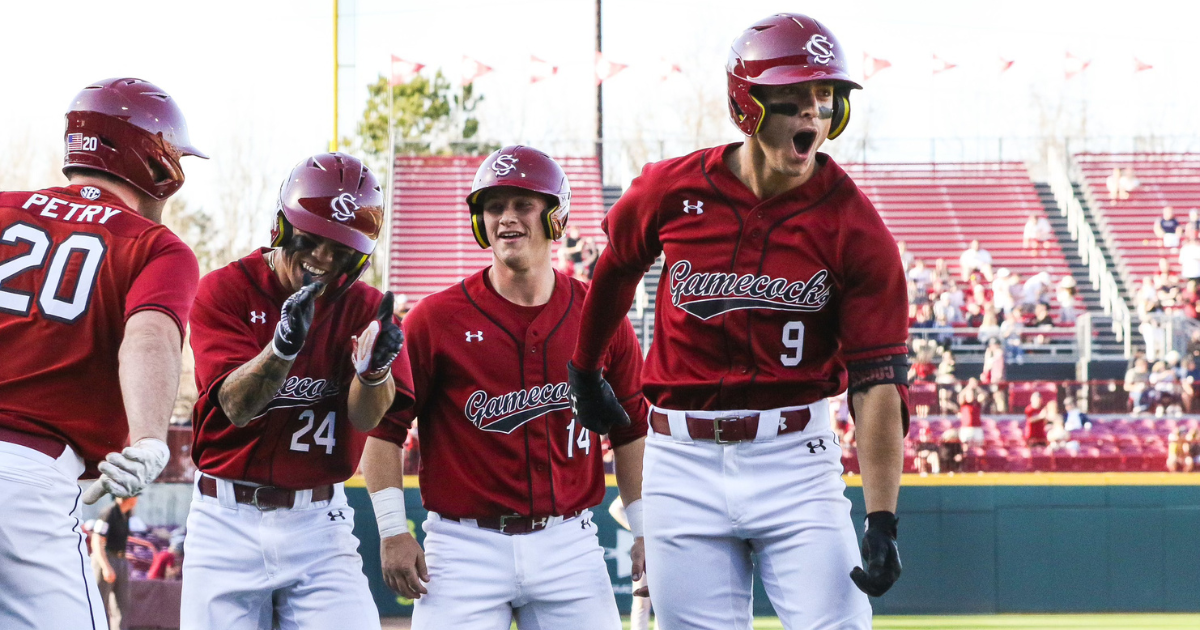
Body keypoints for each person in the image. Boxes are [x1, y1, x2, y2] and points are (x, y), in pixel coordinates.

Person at [568, 14, 905, 628]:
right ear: (747, 106)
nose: (813, 115)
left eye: (824, 98)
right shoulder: (670, 189)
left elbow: (878, 379)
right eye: (794, 99)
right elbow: (616, 269)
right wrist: (585, 369)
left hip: (797, 458)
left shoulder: (856, 226)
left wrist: (882, 516)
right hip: (678, 457)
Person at [360, 147, 648, 630]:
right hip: (462, 548)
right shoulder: (435, 319)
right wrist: (391, 530)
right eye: (494, 207)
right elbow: (383, 430)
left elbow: (632, 428)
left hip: (568, 544)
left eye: (522, 204)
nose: (506, 218)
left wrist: (644, 531)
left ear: (555, 217)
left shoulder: (599, 314)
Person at [0, 78, 204, 630]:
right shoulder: (156, 246)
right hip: (28, 478)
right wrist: (148, 439)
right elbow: (149, 336)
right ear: (158, 164)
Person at [180, 152, 414, 630]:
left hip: (318, 522)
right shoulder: (224, 290)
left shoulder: (365, 307)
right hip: (227, 518)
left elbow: (368, 421)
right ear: (283, 226)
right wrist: (282, 347)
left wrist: (373, 373)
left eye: (341, 247)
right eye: (312, 238)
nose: (323, 258)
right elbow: (236, 407)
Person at [91, 496, 138, 630]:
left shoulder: (127, 514)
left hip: (121, 559)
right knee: (99, 603)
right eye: (134, 495)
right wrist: (105, 566)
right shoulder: (108, 513)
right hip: (105, 559)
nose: (136, 500)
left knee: (121, 605)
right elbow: (96, 540)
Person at [958, 378, 985, 447]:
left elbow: (984, 395)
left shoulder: (977, 403)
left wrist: (976, 387)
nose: (971, 396)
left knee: (979, 445)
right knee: (964, 445)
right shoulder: (964, 404)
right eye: (969, 394)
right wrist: (968, 386)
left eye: (972, 394)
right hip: (966, 428)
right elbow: (960, 396)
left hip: (977, 427)